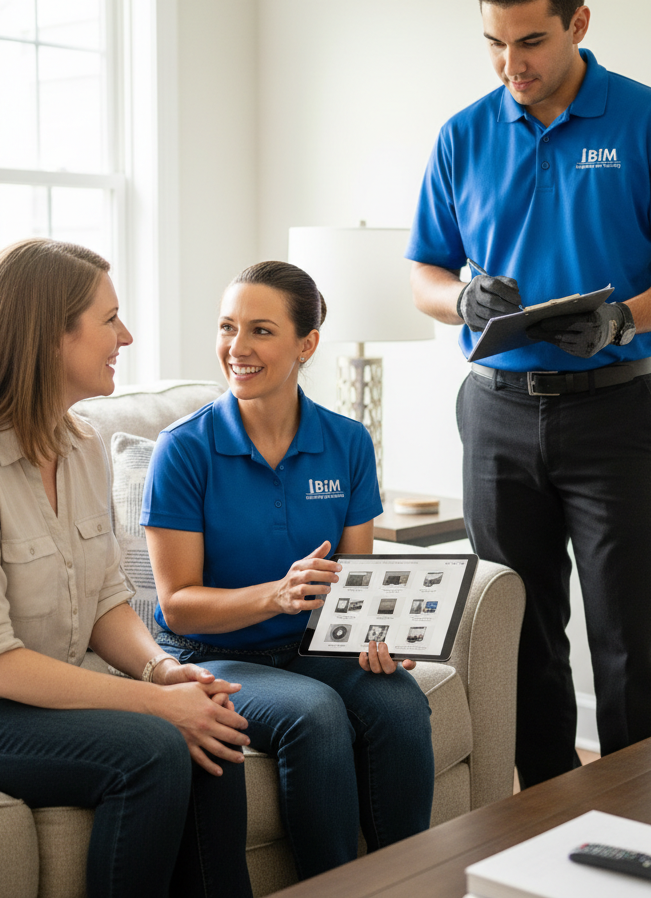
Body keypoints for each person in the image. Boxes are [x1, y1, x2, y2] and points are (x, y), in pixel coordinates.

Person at [406, 0, 651, 788]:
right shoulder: (463, 135)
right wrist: (459, 300)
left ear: (577, 22)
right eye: (494, 44)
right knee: (519, 631)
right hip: (496, 411)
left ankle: (642, 822)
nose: (511, 63)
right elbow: (423, 276)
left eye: (531, 41)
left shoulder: (650, 120)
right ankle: (544, 823)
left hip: (614, 412)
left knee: (628, 633)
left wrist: (625, 317)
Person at [0, 239, 253, 898]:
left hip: (12, 701)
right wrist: (157, 705)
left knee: (212, 733)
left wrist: (166, 671)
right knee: (152, 748)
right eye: (109, 319)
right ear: (50, 337)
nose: (127, 335)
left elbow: (103, 602)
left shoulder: (82, 444)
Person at [141, 260, 434, 880]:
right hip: (208, 651)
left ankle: (409, 884)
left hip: (311, 646)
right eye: (227, 327)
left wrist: (377, 636)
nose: (236, 348)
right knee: (315, 713)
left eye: (260, 331)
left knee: (401, 702)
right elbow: (177, 605)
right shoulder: (185, 448)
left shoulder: (348, 442)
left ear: (307, 344)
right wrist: (276, 596)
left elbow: (356, 581)